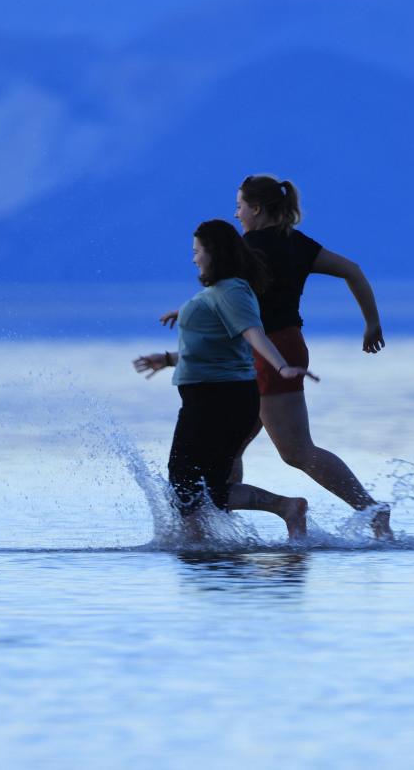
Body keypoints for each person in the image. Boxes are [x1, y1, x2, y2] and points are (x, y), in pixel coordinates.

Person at [164, 175, 393, 539]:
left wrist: (187, 310)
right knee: (229, 447)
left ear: (256, 208)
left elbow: (223, 291)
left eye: (239, 206)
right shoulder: (296, 243)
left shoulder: (248, 247)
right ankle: (217, 534)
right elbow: (353, 270)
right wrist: (372, 324)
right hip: (285, 344)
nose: (236, 213)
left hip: (267, 351)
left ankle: (372, 510)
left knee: (296, 450)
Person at [134, 219, 317, 541]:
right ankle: (204, 541)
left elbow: (252, 334)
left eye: (197, 251)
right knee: (205, 485)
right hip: (213, 397)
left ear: (213, 253)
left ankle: (279, 510)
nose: (194, 258)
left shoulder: (232, 290)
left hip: (219, 399)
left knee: (187, 483)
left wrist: (281, 367)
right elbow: (215, 345)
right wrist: (168, 359)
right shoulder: (221, 291)